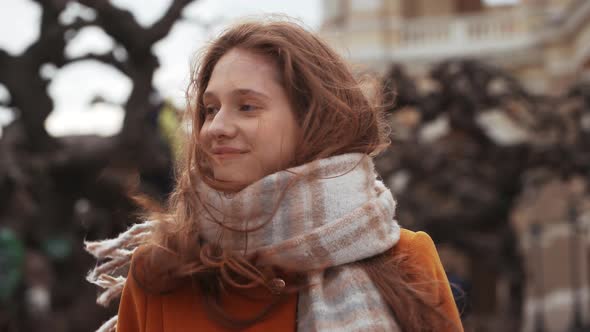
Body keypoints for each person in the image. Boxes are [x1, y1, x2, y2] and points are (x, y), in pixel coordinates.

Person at [85, 19, 463, 332]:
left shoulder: (406, 259)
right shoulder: (161, 273)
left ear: (311, 121)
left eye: (247, 106)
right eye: (210, 108)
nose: (215, 127)